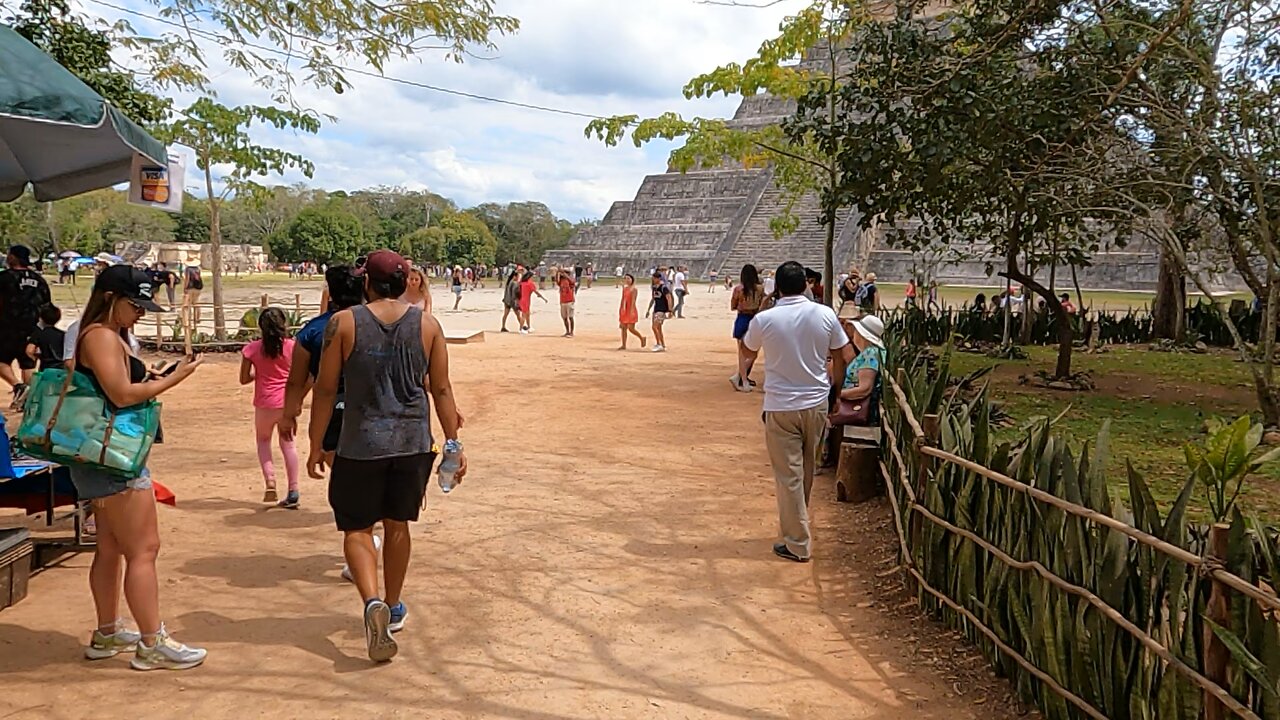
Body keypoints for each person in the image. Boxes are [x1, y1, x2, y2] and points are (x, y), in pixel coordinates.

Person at [306, 249, 467, 663]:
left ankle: (371, 600)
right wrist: (453, 443)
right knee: (398, 526)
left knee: (357, 528)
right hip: (412, 442)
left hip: (360, 443)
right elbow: (442, 390)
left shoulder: (343, 324)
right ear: (406, 282)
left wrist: (315, 442)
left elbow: (325, 389)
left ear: (367, 283)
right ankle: (393, 607)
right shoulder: (428, 325)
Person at [73, 265, 206, 669]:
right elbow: (123, 393)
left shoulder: (104, 335)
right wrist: (173, 380)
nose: (141, 314)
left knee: (111, 548)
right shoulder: (99, 336)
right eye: (136, 306)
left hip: (100, 455)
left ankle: (108, 631)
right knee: (144, 549)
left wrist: (148, 373)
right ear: (112, 299)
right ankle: (152, 641)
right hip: (112, 459)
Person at [741, 261, 853, 563]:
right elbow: (842, 354)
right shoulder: (825, 314)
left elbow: (748, 350)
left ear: (776, 286)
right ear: (806, 283)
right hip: (815, 402)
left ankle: (797, 542)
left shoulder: (766, 319)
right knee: (804, 471)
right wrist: (838, 392)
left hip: (781, 404)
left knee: (789, 475)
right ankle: (795, 530)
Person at [241, 307, 299, 508]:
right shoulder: (292, 346)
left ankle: (270, 481)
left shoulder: (252, 349)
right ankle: (293, 490)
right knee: (288, 444)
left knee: (263, 441)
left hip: (264, 402)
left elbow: (243, 379)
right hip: (285, 402)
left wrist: (260, 375)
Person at [0, 245, 51, 407]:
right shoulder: (39, 280)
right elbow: (46, 305)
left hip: (7, 327)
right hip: (32, 328)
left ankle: (18, 386)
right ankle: (29, 399)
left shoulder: (4, 278)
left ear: (14, 257)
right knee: (28, 363)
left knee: (2, 360)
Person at [840, 315, 885, 426]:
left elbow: (864, 388)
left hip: (855, 406)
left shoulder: (870, 354)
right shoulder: (873, 352)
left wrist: (837, 394)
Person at [730, 264, 765, 392]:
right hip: (754, 318)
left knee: (741, 352)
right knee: (753, 352)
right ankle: (740, 377)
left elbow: (733, 306)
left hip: (742, 318)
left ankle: (742, 378)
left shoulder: (739, 289)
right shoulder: (760, 289)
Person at [25, 303, 66, 372]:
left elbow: (29, 350)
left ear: (41, 318)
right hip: (61, 367)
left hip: (46, 368)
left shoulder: (39, 334)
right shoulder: (63, 334)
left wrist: (36, 358)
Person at [645, 270, 674, 352]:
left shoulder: (663, 288)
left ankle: (658, 343)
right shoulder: (654, 288)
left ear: (658, 278)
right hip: (656, 309)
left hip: (661, 309)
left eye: (654, 278)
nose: (653, 280)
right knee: (659, 328)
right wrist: (648, 309)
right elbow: (653, 299)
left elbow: (669, 298)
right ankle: (662, 344)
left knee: (654, 327)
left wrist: (670, 310)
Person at [617, 274, 646, 350]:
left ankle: (641, 338)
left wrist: (632, 311)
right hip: (624, 310)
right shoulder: (625, 289)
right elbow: (623, 299)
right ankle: (623, 345)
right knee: (623, 328)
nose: (627, 280)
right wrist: (621, 309)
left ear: (632, 279)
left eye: (628, 278)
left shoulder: (634, 289)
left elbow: (633, 301)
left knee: (631, 328)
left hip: (631, 309)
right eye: (626, 279)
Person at [182, 260, 203, 327]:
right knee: (196, 303)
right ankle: (197, 318)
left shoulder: (188, 269)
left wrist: (185, 287)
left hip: (190, 287)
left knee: (187, 304)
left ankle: (187, 319)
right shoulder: (198, 269)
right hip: (197, 287)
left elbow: (187, 279)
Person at [557, 268, 577, 338]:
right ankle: (567, 331)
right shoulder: (561, 281)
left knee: (570, 317)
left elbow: (573, 282)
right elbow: (557, 281)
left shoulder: (570, 280)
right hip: (563, 301)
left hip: (570, 300)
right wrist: (558, 272)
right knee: (564, 317)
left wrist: (566, 275)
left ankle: (571, 332)